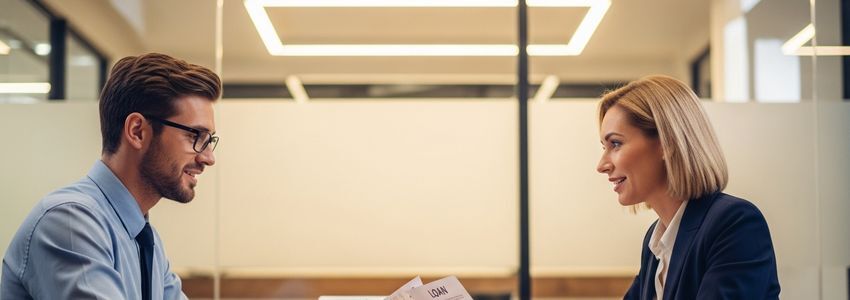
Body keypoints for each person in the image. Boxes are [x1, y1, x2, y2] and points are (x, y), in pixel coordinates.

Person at [1, 53, 221, 299]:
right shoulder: (71, 222)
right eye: (195, 136)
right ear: (137, 131)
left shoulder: (145, 239)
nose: (208, 158)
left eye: (209, 141)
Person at [595, 75, 780, 299]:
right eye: (604, 147)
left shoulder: (734, 224)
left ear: (667, 143)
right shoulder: (656, 242)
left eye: (616, 143)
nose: (602, 165)